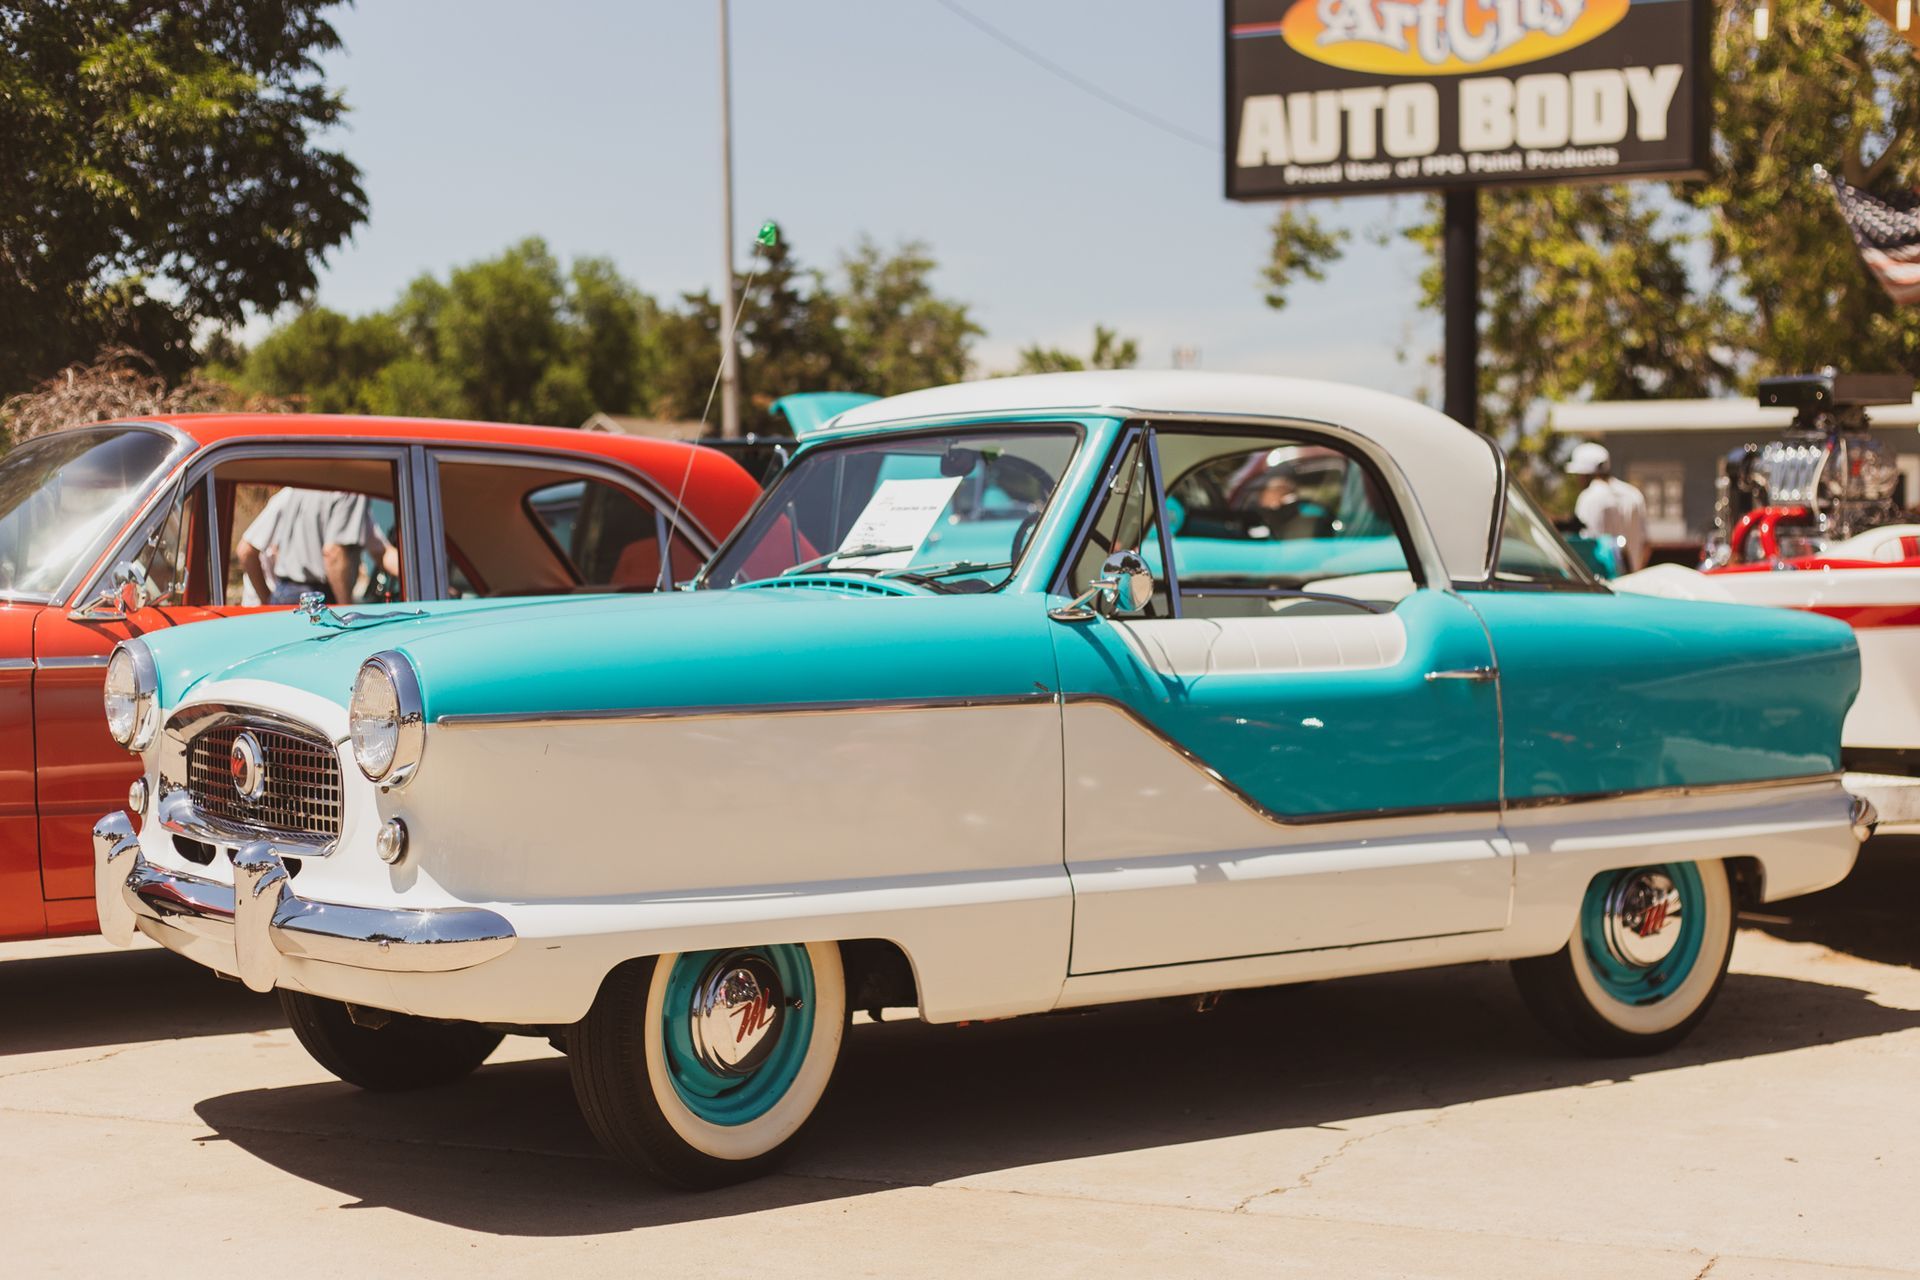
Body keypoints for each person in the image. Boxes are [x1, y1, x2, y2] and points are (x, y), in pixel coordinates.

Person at [236, 487, 398, 606]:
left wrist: (269, 601)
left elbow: (382, 552)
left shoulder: (295, 490)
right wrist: (346, 609)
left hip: (285, 595)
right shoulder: (349, 490)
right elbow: (333, 554)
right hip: (318, 599)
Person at [1567, 442, 1650, 573]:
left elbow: (1585, 545)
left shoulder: (1588, 497)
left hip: (1601, 582)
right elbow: (1646, 545)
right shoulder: (1633, 495)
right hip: (1632, 580)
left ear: (1585, 474)